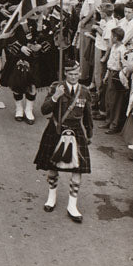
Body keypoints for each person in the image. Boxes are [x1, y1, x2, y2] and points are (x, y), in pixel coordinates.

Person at [34, 58, 94, 224]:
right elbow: (44, 109)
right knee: (53, 166)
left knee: (78, 168)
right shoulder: (56, 87)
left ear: (79, 73)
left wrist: (89, 133)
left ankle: (72, 205)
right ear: (65, 74)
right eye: (70, 74)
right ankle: (51, 197)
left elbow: (88, 114)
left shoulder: (84, 91)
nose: (74, 77)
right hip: (56, 129)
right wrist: (55, 97)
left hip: (76, 131)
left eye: (76, 74)